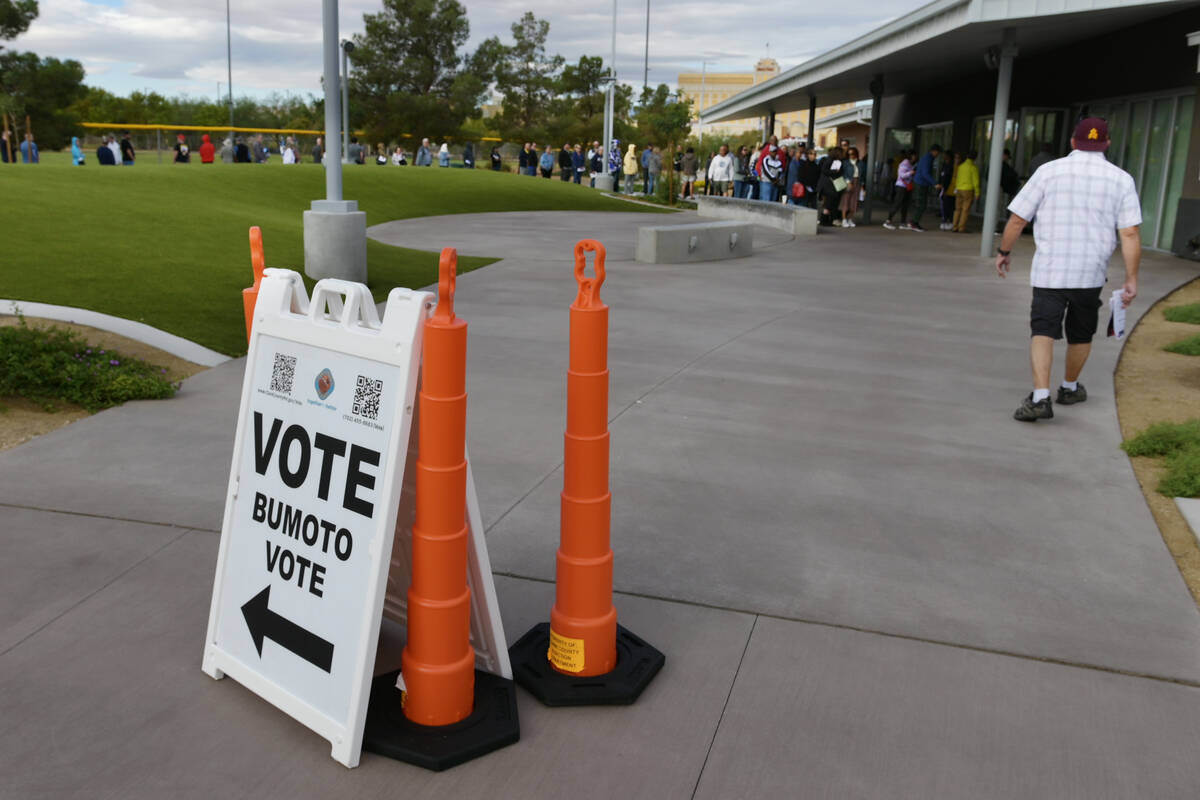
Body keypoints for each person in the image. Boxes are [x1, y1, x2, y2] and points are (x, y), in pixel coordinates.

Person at [995, 117, 1141, 423]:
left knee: (1043, 331)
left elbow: (1018, 219)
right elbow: (1129, 234)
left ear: (1073, 142)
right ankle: (1070, 388)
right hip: (1090, 274)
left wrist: (1004, 252)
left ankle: (1040, 398)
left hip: (1050, 271)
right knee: (1081, 333)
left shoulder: (1048, 172)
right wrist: (1131, 278)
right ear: (1107, 144)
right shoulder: (1121, 179)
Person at [909, 143, 941, 232]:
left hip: (920, 182)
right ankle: (914, 223)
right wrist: (935, 183)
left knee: (919, 204)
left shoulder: (926, 157)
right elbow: (925, 173)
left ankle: (913, 221)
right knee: (921, 205)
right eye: (938, 152)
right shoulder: (928, 159)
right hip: (921, 184)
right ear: (934, 151)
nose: (938, 155)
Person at [882, 151, 916, 230]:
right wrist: (911, 172)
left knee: (905, 205)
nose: (916, 157)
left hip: (906, 186)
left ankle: (902, 223)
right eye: (914, 156)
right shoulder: (905, 163)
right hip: (901, 186)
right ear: (911, 156)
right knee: (897, 203)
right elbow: (902, 175)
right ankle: (888, 221)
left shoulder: (909, 164)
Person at [952, 150, 980, 233]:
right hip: (968, 190)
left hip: (959, 189)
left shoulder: (961, 166)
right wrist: (977, 192)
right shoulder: (973, 167)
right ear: (975, 158)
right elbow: (976, 181)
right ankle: (961, 228)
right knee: (965, 210)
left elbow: (957, 177)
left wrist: (956, 188)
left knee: (957, 209)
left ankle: (954, 226)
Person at [817, 146, 845, 226]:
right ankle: (824, 220)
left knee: (830, 204)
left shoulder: (832, 160)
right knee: (829, 204)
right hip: (829, 186)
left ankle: (826, 220)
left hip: (829, 186)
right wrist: (835, 171)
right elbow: (824, 171)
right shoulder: (830, 160)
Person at [839, 147, 862, 227]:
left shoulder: (860, 163)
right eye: (849, 154)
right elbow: (843, 173)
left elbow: (862, 175)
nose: (850, 156)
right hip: (848, 182)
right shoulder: (845, 162)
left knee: (854, 201)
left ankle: (850, 219)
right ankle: (844, 219)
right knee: (845, 201)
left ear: (856, 154)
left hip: (857, 182)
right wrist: (848, 181)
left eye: (852, 154)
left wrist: (863, 186)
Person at [937, 150, 957, 230]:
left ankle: (949, 221)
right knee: (944, 206)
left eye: (945, 155)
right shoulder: (944, 164)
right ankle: (944, 221)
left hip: (949, 189)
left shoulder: (951, 166)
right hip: (943, 188)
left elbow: (949, 178)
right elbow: (941, 176)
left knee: (950, 206)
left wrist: (945, 188)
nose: (944, 157)